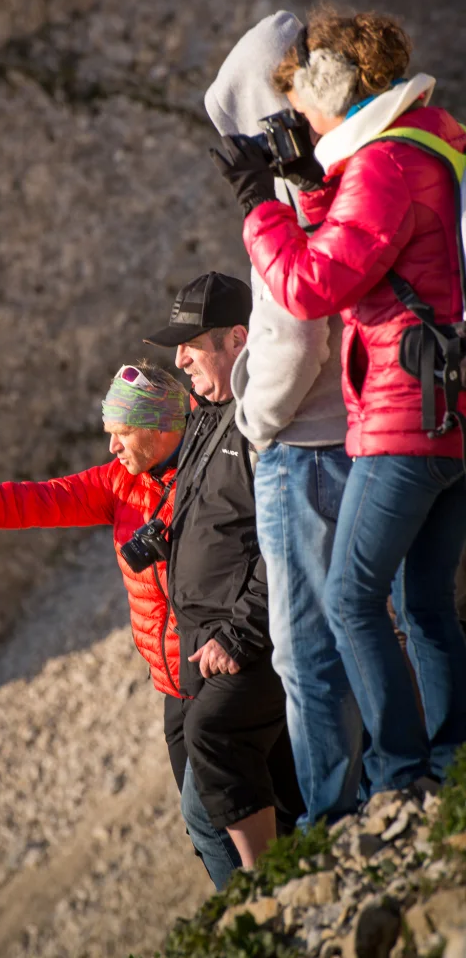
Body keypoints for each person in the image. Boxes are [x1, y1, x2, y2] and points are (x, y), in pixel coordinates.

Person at [211, 5, 466, 802]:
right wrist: (314, 194)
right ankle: (451, 763)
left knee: (352, 602)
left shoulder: (386, 164)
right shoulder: (425, 140)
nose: (299, 122)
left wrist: (260, 205)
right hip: (442, 412)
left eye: (301, 102)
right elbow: (367, 256)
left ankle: (397, 775)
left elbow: (312, 285)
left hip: (399, 415)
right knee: (422, 605)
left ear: (330, 90)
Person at [0, 361, 241, 888]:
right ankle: (253, 908)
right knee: (203, 827)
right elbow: (31, 500)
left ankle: (260, 913)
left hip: (216, 670)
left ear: (158, 429)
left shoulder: (212, 472)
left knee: (218, 814)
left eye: (121, 434)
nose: (111, 448)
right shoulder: (118, 483)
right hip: (171, 685)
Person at [204, 11, 362, 824]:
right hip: (357, 434)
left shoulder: (291, 199)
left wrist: (253, 419)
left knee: (309, 650)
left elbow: (292, 333)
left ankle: (339, 814)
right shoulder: (342, 174)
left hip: (305, 447)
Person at [145, 271, 303, 871]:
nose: (180, 357)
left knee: (214, 777)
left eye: (192, 343)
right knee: (249, 795)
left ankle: (263, 901)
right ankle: (278, 895)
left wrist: (240, 631)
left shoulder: (262, 417)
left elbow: (282, 537)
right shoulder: (209, 412)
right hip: (197, 648)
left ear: (238, 339)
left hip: (239, 642)